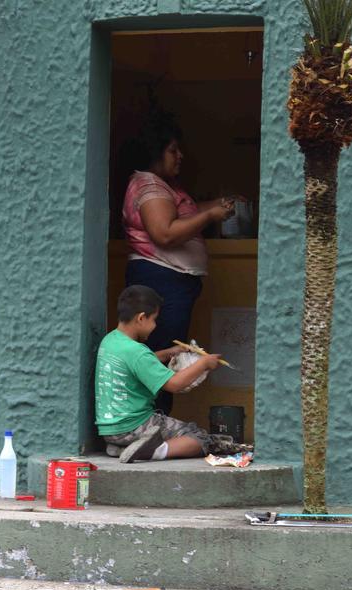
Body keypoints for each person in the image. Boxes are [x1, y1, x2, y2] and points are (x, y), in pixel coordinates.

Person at [121, 110, 239, 414]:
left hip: (169, 283)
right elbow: (165, 233)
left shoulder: (165, 187)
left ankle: (155, 421)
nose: (180, 156)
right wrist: (210, 216)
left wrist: (213, 206)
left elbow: (182, 215)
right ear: (155, 152)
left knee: (164, 357)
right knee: (157, 357)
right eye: (173, 150)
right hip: (160, 280)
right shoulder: (149, 185)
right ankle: (148, 421)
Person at [96, 285, 244, 463]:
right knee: (197, 435)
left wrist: (169, 352)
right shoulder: (137, 352)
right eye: (154, 320)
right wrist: (204, 363)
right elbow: (174, 384)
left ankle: (121, 447)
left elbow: (137, 364)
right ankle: (150, 452)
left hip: (110, 431)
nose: (155, 326)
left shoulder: (111, 341)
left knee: (172, 431)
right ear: (141, 318)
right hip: (134, 425)